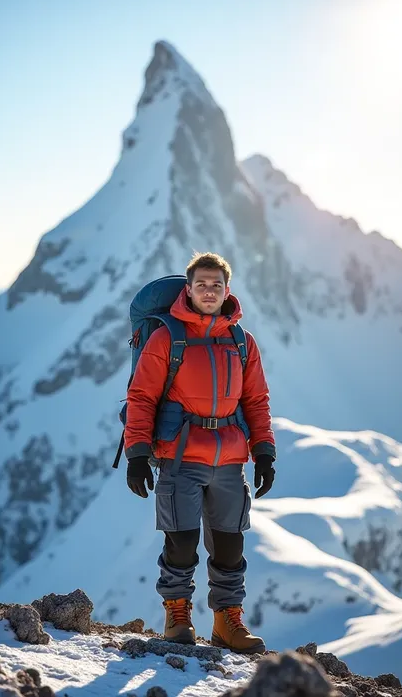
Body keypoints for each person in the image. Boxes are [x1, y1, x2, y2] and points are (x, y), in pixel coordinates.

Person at [124, 252, 276, 654]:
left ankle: (228, 622)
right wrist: (137, 452)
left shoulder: (242, 342)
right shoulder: (166, 339)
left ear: (228, 290)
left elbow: (257, 400)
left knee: (230, 545)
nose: (209, 291)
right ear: (188, 290)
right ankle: (178, 616)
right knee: (181, 541)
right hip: (180, 457)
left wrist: (264, 452)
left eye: (217, 285)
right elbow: (141, 397)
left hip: (228, 459)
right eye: (201, 284)